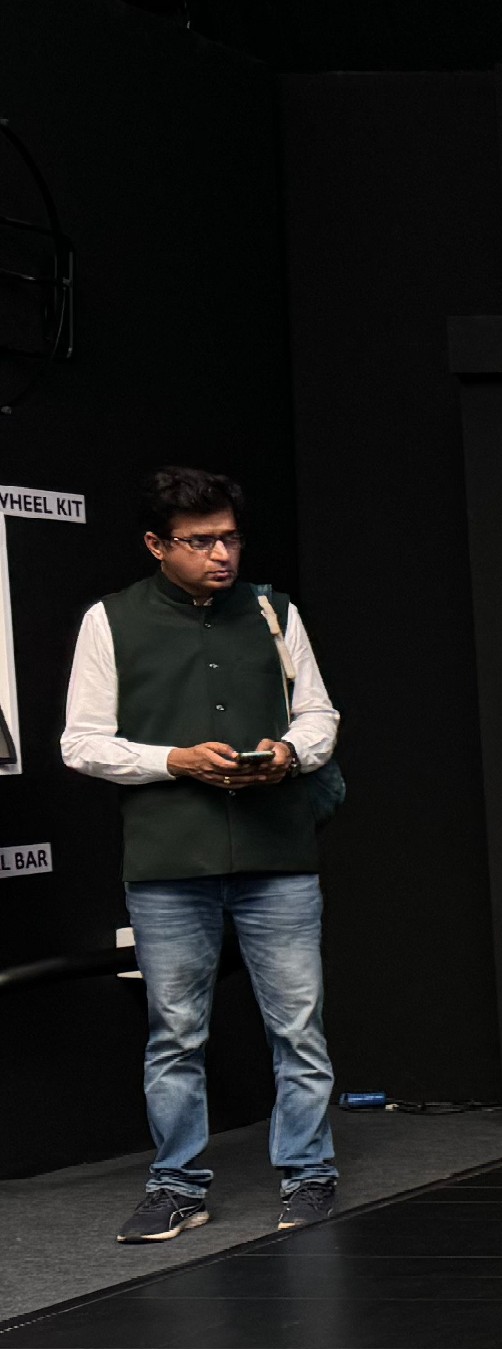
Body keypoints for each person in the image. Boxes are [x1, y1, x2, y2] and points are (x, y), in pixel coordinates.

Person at [61, 469, 344, 1241]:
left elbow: (319, 714)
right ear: (157, 545)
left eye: (230, 538)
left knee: (299, 1025)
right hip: (168, 862)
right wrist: (175, 760)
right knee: (175, 1032)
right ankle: (178, 1187)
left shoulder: (273, 610)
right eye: (200, 541)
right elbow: (81, 743)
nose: (221, 554)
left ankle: (309, 1173)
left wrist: (288, 752)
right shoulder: (110, 620)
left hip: (278, 852)